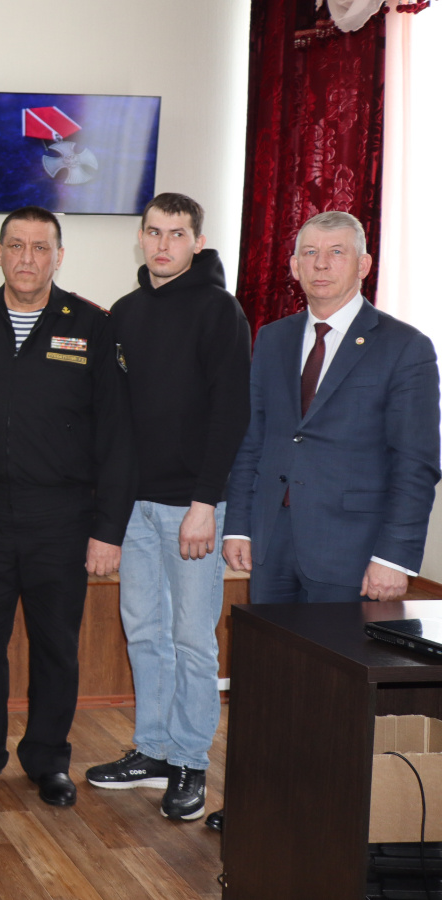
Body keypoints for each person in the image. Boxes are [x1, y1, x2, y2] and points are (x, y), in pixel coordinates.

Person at [207, 211, 442, 835]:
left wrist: (395, 557)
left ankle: (325, 817)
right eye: (309, 252)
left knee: (334, 689)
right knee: (269, 681)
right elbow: (255, 436)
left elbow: (417, 462)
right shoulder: (274, 338)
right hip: (274, 543)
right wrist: (239, 524)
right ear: (292, 265)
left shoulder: (405, 346)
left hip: (354, 551)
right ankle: (263, 801)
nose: (320, 263)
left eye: (336, 252)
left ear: (363, 264)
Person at [0, 207, 134, 807]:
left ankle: (49, 759)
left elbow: (117, 435)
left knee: (55, 646)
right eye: (16, 245)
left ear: (59, 256)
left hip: (62, 517)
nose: (27, 258)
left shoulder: (93, 325)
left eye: (40, 247)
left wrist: (108, 529)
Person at [84, 193, 250, 823]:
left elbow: (231, 412)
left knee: (192, 639)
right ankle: (152, 749)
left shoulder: (219, 310)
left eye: (176, 234)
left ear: (196, 243)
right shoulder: (125, 312)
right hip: (135, 507)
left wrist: (205, 502)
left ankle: (189, 762)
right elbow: (116, 419)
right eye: (154, 232)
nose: (163, 244)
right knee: (145, 632)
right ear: (141, 237)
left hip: (193, 507)